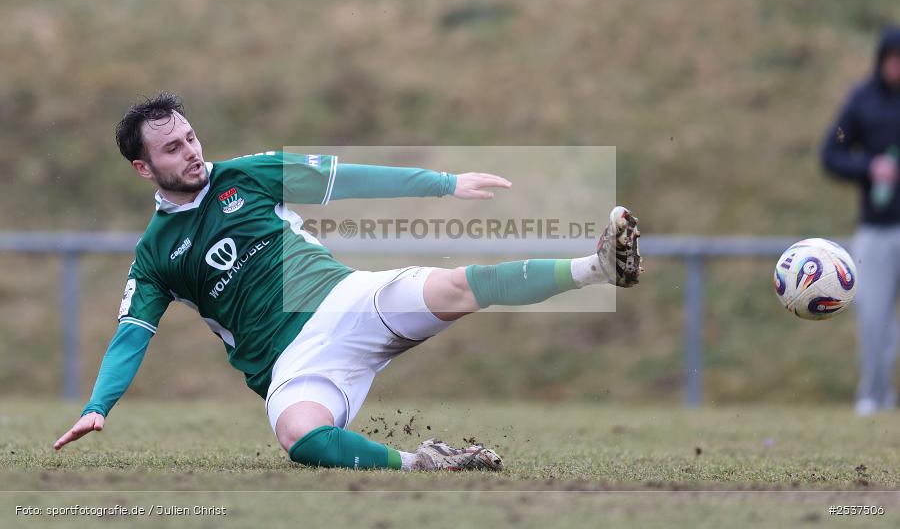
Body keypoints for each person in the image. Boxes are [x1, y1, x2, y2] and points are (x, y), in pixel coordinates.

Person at [53, 92, 642, 470]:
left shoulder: (246, 177)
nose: (192, 153)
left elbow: (349, 178)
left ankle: (595, 268)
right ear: (143, 167)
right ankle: (423, 464)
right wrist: (98, 405)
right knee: (299, 438)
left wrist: (441, 183)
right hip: (293, 365)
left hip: (348, 300)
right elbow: (132, 332)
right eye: (172, 149)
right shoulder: (156, 255)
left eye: (190, 138)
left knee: (459, 286)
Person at [823, 27, 900, 416]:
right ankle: (873, 393)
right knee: (873, 316)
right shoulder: (863, 100)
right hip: (877, 227)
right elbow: (831, 154)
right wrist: (870, 167)